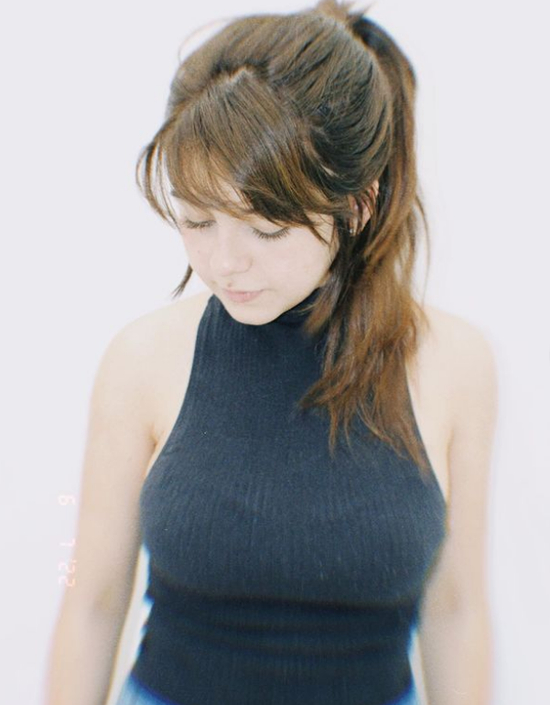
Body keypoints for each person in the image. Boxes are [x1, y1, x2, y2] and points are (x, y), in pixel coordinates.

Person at [44, 1, 498, 704]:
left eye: (265, 229)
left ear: (358, 205)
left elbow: (457, 607)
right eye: (198, 219)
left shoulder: (452, 366)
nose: (225, 263)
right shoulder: (142, 360)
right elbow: (89, 595)